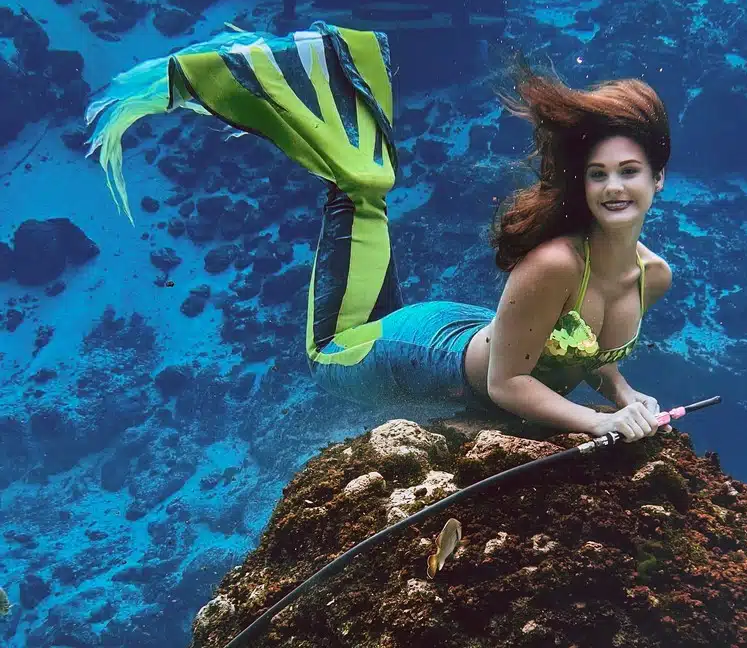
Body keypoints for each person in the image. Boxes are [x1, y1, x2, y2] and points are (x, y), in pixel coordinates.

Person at [85, 22, 674, 443]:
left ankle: (355, 152)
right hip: (421, 354)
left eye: (629, 172)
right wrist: (600, 422)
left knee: (378, 284)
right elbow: (508, 383)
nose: (613, 188)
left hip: (481, 329)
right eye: (598, 174)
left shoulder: (653, 275)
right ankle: (329, 116)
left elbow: (591, 348)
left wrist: (624, 395)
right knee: (330, 348)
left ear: (659, 179)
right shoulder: (554, 264)